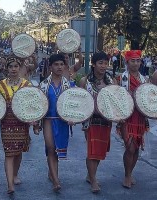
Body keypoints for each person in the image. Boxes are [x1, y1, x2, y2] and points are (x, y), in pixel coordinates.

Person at [36, 54, 74, 192]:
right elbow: (39, 105)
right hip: (48, 119)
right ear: (51, 66)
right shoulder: (43, 85)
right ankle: (56, 180)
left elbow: (73, 104)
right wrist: (35, 121)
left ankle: (52, 172)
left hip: (63, 121)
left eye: (61, 64)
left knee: (57, 150)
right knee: (51, 147)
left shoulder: (69, 85)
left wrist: (72, 117)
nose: (59, 67)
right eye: (56, 64)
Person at [79, 52, 117, 193]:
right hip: (90, 120)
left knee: (100, 150)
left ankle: (90, 175)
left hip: (106, 121)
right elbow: (80, 101)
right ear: (93, 64)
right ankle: (94, 180)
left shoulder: (112, 82)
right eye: (100, 63)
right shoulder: (84, 81)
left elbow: (116, 101)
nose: (103, 66)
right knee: (92, 150)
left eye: (105, 63)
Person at [0, 56, 31, 194]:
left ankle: (15, 174)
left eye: (16, 66)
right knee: (9, 153)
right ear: (7, 69)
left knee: (18, 152)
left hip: (22, 123)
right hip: (6, 123)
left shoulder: (26, 85)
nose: (13, 69)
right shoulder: (1, 85)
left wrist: (33, 121)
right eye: (10, 67)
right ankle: (10, 184)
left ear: (20, 67)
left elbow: (31, 105)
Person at [117, 50, 149, 189]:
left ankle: (130, 173)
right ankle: (127, 175)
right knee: (129, 147)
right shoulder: (120, 79)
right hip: (126, 118)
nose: (135, 63)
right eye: (133, 61)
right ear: (127, 62)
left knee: (136, 148)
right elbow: (115, 98)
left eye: (138, 61)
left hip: (140, 118)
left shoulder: (145, 80)